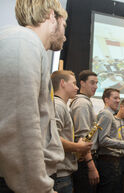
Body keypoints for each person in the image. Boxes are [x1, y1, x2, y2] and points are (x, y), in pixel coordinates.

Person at [0, 0, 67, 192]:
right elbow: (18, 125)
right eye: (64, 26)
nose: (65, 35)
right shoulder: (23, 41)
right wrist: (40, 189)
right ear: (52, 16)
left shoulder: (28, 45)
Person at [51, 70, 93, 193]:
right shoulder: (58, 106)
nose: (77, 87)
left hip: (63, 173)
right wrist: (78, 147)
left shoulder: (62, 105)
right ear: (63, 83)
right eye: (74, 83)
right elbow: (54, 139)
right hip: (59, 175)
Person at [70, 70, 100, 193]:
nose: (95, 86)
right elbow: (82, 138)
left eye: (97, 83)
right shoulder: (82, 103)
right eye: (92, 83)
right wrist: (91, 166)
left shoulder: (85, 101)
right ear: (82, 83)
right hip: (85, 161)